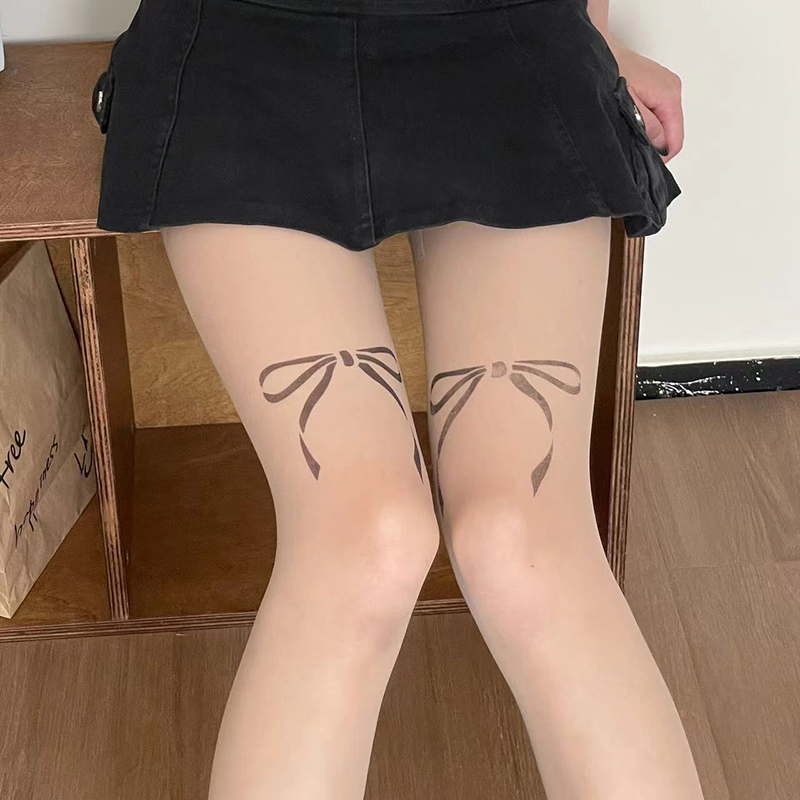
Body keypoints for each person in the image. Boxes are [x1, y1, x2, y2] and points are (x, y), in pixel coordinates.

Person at [92, 0, 702, 797]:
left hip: (507, 30)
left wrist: (596, 32)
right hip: (242, 40)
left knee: (521, 542)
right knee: (363, 540)